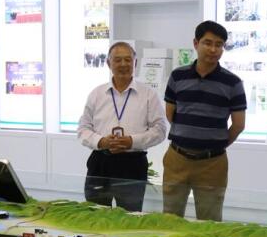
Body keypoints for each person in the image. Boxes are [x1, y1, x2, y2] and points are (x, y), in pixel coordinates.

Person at [163, 20, 247, 221]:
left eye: (219, 45)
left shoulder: (233, 83)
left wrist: (216, 143)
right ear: (196, 43)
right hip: (177, 158)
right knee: (170, 219)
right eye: (207, 43)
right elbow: (170, 114)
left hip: (213, 163)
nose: (213, 49)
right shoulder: (178, 76)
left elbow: (238, 125)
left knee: (210, 221)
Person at [77, 41, 167, 212]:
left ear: (135, 63)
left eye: (128, 59)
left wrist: (132, 141)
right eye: (117, 60)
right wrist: (101, 141)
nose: (123, 64)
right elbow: (83, 129)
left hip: (132, 164)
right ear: (108, 63)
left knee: (130, 217)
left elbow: (160, 130)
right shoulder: (96, 94)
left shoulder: (148, 95)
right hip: (100, 162)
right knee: (96, 215)